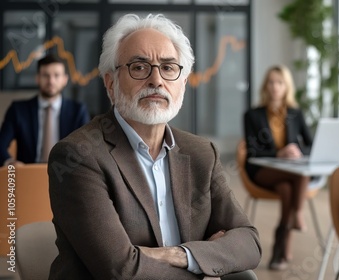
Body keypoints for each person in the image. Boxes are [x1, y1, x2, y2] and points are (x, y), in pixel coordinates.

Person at [47, 14, 261, 280]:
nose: (156, 80)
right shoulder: (79, 155)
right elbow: (121, 270)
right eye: (139, 67)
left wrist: (180, 254)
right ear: (110, 83)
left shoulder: (201, 152)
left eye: (169, 68)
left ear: (182, 83)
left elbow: (249, 241)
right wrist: (206, 260)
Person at [243, 65, 312, 270]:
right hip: (261, 170)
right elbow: (252, 151)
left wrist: (297, 151)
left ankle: (279, 251)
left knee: (287, 189)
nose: (275, 87)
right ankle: (298, 214)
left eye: (279, 82)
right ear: (265, 86)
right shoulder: (252, 115)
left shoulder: (295, 114)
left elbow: (310, 145)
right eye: (271, 82)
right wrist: (278, 153)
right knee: (298, 176)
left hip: (289, 173)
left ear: (286, 87)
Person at [0, 54, 90, 166]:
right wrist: (10, 162)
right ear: (37, 78)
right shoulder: (18, 110)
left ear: (65, 79)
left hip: (66, 176)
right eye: (46, 75)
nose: (51, 81)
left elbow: (87, 149)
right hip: (29, 174)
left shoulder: (78, 111)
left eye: (56, 75)